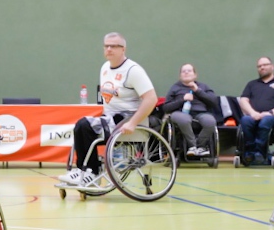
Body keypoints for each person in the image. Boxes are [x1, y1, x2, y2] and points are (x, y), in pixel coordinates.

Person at [58, 33, 158, 188]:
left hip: (127, 119)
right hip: (111, 118)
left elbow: (151, 99)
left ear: (123, 49)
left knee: (85, 125)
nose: (109, 49)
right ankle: (84, 170)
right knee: (80, 127)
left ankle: (91, 172)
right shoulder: (105, 68)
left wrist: (133, 123)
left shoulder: (133, 70)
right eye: (106, 46)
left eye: (114, 46)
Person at [238, 57, 274, 166]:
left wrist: (270, 113)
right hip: (253, 116)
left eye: (265, 65)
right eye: (259, 66)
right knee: (245, 120)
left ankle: (260, 153)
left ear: (272, 66)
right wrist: (252, 113)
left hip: (273, 117)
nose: (262, 67)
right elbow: (243, 100)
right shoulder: (251, 84)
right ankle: (250, 151)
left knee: (266, 120)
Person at [161, 63, 219, 158]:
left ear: (195, 75)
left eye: (189, 71)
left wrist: (198, 91)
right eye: (183, 71)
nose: (186, 73)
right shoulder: (175, 88)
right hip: (180, 113)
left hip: (201, 113)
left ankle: (200, 146)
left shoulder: (203, 87)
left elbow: (214, 102)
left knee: (210, 121)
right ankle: (192, 146)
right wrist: (182, 99)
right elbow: (166, 107)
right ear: (180, 75)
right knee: (184, 119)